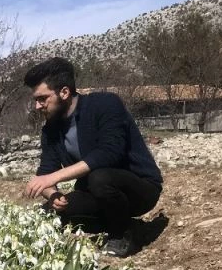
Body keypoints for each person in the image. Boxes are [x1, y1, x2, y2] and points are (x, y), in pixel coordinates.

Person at [22, 57, 163, 257]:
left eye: (42, 99)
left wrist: (53, 177)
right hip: (95, 191)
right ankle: (123, 223)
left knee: (100, 178)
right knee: (50, 214)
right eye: (36, 100)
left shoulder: (105, 104)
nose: (37, 106)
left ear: (64, 92)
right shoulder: (50, 130)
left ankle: (121, 234)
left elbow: (110, 153)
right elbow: (46, 173)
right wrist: (52, 194)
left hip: (140, 188)